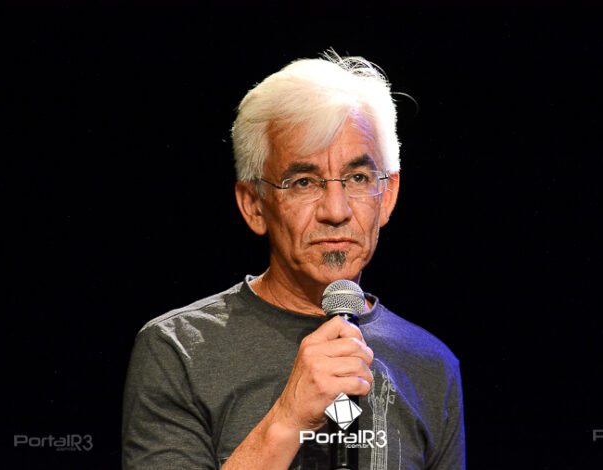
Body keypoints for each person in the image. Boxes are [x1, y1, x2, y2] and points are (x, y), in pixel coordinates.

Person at [121, 51, 466, 469]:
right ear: (254, 205)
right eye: (304, 182)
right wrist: (288, 418)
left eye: (358, 178)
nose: (336, 210)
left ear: (388, 195)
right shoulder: (177, 351)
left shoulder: (431, 365)